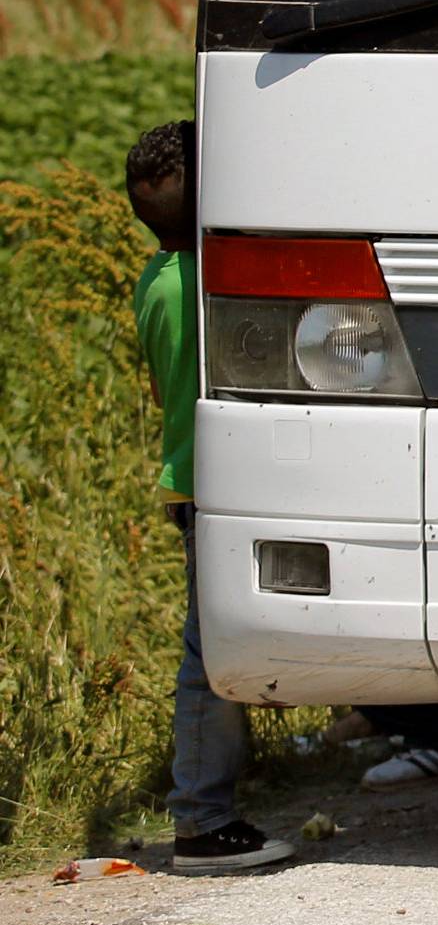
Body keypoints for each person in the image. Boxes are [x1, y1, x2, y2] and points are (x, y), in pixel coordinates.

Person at [126, 120, 296, 876]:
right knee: (208, 651)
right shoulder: (212, 287)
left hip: (189, 483)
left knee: (214, 641)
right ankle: (201, 821)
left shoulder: (157, 282)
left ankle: (211, 808)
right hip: (221, 488)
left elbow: (166, 392)